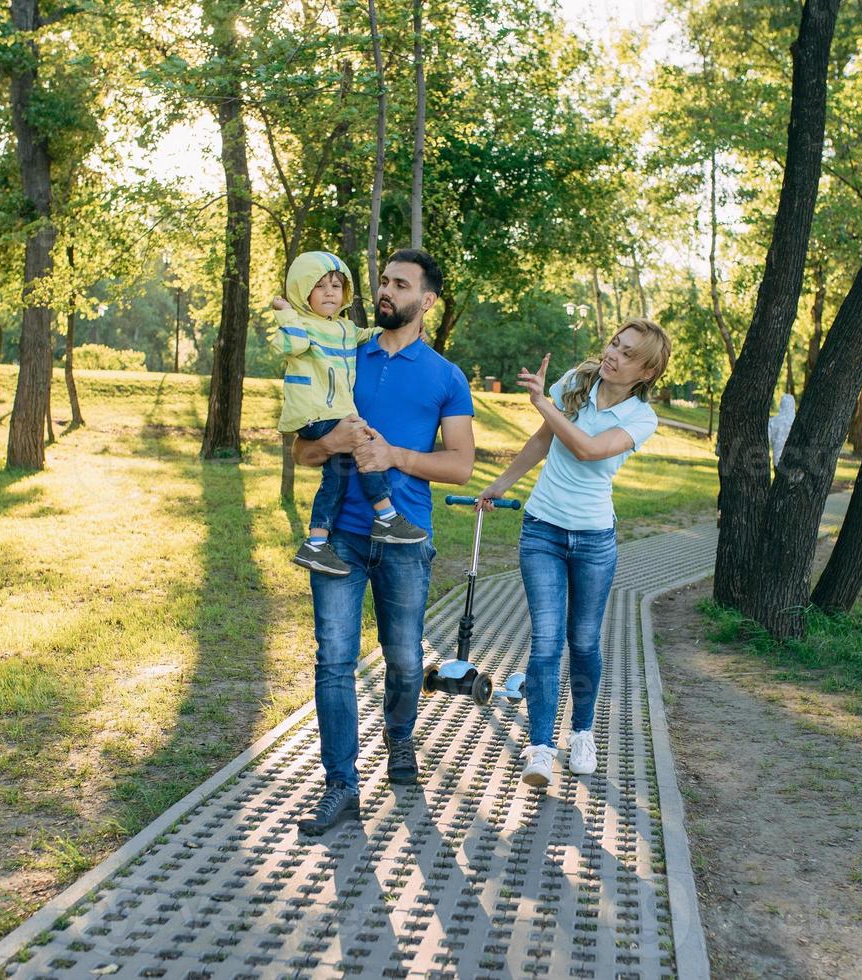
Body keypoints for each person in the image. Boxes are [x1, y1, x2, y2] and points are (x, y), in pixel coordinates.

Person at [292, 249, 476, 835]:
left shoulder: (447, 377)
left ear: (427, 301)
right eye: (383, 281)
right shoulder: (343, 354)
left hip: (405, 537)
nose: (385, 290)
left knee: (402, 658)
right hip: (340, 536)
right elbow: (302, 451)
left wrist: (394, 455)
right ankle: (340, 786)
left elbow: (461, 466)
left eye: (401, 284)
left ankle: (400, 741)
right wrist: (335, 442)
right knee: (334, 661)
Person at [476, 318, 670, 787]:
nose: (612, 355)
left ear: (644, 372)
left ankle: (582, 733)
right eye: (613, 343)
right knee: (546, 641)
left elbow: (587, 449)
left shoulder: (642, 418)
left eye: (626, 354)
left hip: (594, 540)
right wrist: (502, 483)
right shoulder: (576, 381)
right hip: (542, 530)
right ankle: (540, 747)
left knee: (583, 641)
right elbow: (546, 438)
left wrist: (545, 404)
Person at [270, 251, 428, 578]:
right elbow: (293, 347)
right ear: (302, 291)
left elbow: (363, 336)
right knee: (365, 443)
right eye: (320, 286)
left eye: (337, 285)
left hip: (333, 410)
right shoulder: (298, 325)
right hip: (314, 411)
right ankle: (385, 516)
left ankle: (316, 542)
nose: (330, 292)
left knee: (337, 477)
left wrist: (403, 334)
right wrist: (286, 314)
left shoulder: (342, 327)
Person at [769, 392, 796, 472]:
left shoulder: (773, 421)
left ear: (781, 404)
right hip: (795, 459)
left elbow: (766, 439)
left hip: (777, 460)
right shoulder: (797, 422)